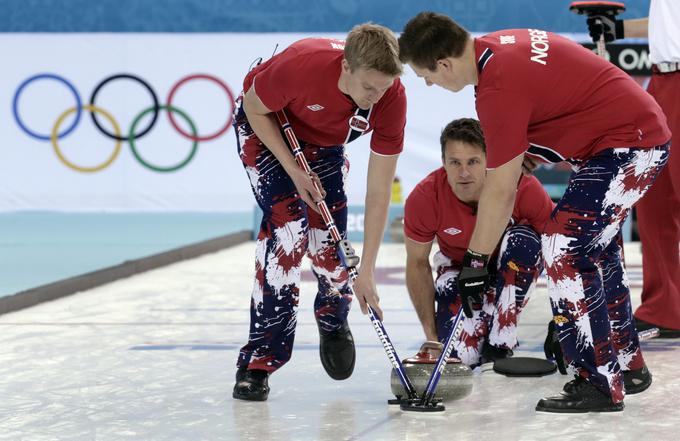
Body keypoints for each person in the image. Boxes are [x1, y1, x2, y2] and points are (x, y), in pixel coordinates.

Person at [398, 12, 670, 413]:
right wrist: (534, 152)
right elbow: (558, 102)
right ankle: (626, 364)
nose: (429, 83)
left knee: (562, 246)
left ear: (444, 63)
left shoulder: (496, 87)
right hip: (630, 139)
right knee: (597, 249)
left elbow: (501, 192)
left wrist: (475, 261)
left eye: (426, 75)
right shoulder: (498, 48)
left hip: (628, 145)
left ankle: (596, 381)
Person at [232, 23, 406, 401]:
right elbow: (254, 108)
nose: (376, 98)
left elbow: (378, 193)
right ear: (346, 68)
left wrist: (369, 271)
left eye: (384, 88)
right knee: (288, 233)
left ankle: (332, 315)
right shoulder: (301, 65)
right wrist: (294, 173)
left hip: (323, 143)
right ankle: (259, 361)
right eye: (368, 88)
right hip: (267, 126)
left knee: (331, 254)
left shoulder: (391, 98)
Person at [404, 118, 553, 367]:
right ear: (443, 162)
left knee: (523, 241)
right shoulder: (424, 198)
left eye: (473, 162)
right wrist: (432, 339)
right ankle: (479, 327)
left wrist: (563, 321)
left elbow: (557, 248)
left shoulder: (521, 185)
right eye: (455, 162)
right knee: (460, 359)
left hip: (509, 270)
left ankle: (501, 340)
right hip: (458, 270)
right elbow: (417, 264)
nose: (464, 172)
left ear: (488, 160)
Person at [583, 0, 680, 338]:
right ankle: (666, 308)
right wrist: (620, 30)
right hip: (663, 78)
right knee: (654, 198)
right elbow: (669, 22)